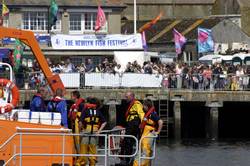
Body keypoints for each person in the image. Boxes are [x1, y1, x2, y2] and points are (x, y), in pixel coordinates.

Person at [76, 97, 107, 166]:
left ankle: (81, 163)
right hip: (95, 133)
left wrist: (81, 130)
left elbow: (80, 122)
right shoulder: (98, 111)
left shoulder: (85, 110)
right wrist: (99, 131)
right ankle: (92, 164)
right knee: (93, 151)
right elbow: (104, 122)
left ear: (89, 103)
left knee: (83, 151)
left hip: (86, 132)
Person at [117, 92, 145, 166]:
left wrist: (142, 125)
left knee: (128, 140)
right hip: (130, 124)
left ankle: (128, 160)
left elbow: (141, 113)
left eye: (127, 97)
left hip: (134, 124)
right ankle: (127, 159)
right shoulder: (130, 104)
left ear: (132, 96)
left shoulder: (137, 104)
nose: (126, 98)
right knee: (127, 141)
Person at [133, 99, 163, 166]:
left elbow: (160, 122)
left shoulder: (152, 114)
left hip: (148, 135)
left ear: (147, 106)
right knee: (142, 150)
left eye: (143, 105)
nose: (143, 107)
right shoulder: (147, 114)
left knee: (146, 151)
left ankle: (140, 164)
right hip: (144, 135)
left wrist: (158, 132)